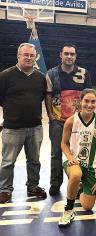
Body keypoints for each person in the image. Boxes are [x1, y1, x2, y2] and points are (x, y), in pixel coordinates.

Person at [0, 43, 47, 203]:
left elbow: (39, 97)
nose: (28, 58)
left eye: (31, 55)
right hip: (12, 128)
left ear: (35, 57)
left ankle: (33, 186)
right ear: (18, 56)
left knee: (34, 161)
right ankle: (5, 190)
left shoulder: (41, 77)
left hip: (35, 127)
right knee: (8, 161)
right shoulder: (6, 75)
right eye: (25, 55)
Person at [46, 43, 92, 196]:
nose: (69, 56)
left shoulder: (84, 73)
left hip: (78, 121)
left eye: (72, 54)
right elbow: (48, 95)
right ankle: (55, 183)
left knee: (79, 152)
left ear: (75, 56)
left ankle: (79, 184)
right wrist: (51, 117)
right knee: (56, 153)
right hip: (58, 121)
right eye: (66, 53)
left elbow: (89, 96)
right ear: (61, 55)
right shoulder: (51, 73)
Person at [58, 89, 96, 227]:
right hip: (74, 161)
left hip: (92, 165)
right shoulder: (71, 121)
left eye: (93, 102)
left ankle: (79, 189)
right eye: (86, 101)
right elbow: (63, 143)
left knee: (88, 206)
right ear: (81, 101)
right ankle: (68, 210)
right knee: (76, 175)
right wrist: (69, 156)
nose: (89, 105)